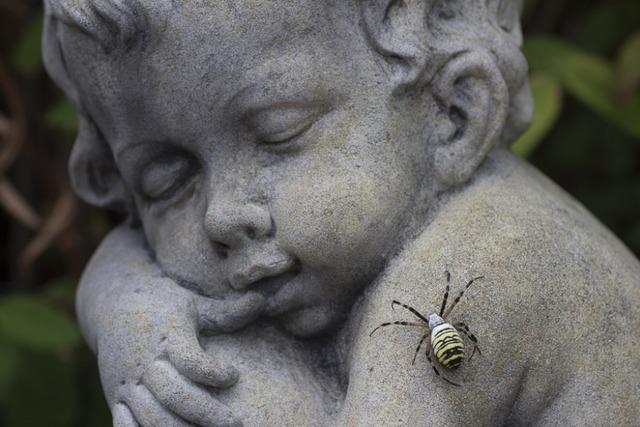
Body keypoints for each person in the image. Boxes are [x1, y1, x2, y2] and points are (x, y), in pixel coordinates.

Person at [43, 0, 640, 425]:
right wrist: (128, 311)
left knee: (201, 382)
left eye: (279, 132)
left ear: (453, 113)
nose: (221, 216)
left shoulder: (488, 261)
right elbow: (126, 242)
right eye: (166, 180)